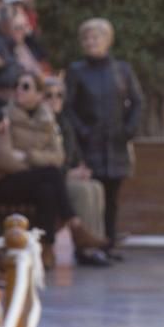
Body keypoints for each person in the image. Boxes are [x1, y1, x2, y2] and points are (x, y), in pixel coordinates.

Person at [0, 71, 108, 269]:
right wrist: (38, 166)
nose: (19, 90)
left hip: (32, 184)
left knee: (48, 190)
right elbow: (3, 159)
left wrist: (29, 156)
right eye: (17, 85)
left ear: (38, 94)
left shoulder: (47, 119)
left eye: (26, 87)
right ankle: (75, 227)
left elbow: (58, 156)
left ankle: (47, 248)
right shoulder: (4, 117)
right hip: (3, 182)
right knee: (51, 174)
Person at [63, 17, 143, 258]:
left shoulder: (122, 70)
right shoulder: (76, 71)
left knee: (112, 197)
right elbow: (67, 108)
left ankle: (108, 243)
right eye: (86, 38)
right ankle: (89, 246)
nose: (90, 42)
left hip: (115, 143)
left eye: (95, 37)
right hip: (88, 144)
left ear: (107, 40)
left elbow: (137, 101)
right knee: (92, 196)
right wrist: (82, 131)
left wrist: (129, 128)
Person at [45, 76, 109, 267]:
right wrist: (69, 173)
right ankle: (84, 249)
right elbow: (49, 159)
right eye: (49, 95)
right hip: (53, 177)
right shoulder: (42, 122)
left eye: (59, 95)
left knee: (95, 186)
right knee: (83, 191)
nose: (54, 99)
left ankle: (95, 244)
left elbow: (74, 154)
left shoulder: (64, 122)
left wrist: (81, 168)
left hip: (64, 174)